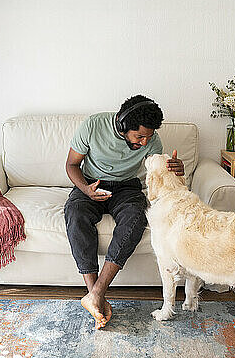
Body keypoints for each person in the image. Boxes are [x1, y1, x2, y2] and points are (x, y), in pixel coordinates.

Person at [64, 95, 184, 329]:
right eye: (139, 136)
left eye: (148, 137)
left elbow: (158, 171)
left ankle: (96, 294)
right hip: (91, 183)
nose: (144, 142)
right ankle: (94, 295)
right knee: (75, 214)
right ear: (122, 125)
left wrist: (177, 169)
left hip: (127, 186)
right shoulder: (93, 125)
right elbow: (71, 165)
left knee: (136, 218)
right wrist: (87, 190)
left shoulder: (152, 141)